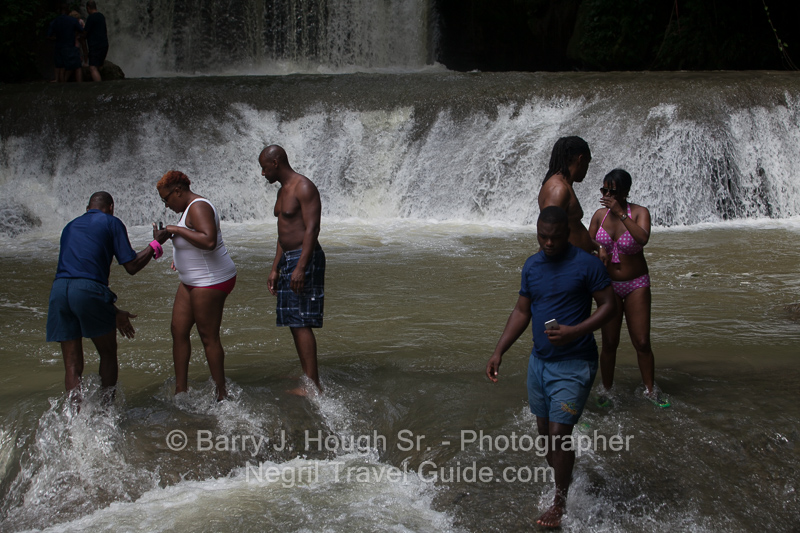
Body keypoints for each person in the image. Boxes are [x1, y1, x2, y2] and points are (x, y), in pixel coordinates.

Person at [486, 206, 615, 529]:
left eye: (554, 237)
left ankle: (559, 503)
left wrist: (575, 331)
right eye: (542, 237)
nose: (548, 243)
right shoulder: (532, 266)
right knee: (546, 438)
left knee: (558, 436)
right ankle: (566, 474)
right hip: (539, 363)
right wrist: (499, 351)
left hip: (575, 362)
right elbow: (521, 311)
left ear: (567, 234)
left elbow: (610, 306)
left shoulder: (586, 264)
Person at [46, 192, 169, 397]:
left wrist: (113, 311)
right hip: (88, 290)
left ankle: (73, 415)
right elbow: (131, 266)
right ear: (111, 207)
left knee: (72, 365)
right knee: (108, 353)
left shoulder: (70, 226)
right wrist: (156, 244)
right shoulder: (111, 222)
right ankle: (105, 411)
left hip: (59, 291)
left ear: (87, 209)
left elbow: (76, 276)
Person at [588, 169, 669, 407]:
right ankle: (606, 390)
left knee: (642, 342)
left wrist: (621, 214)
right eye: (604, 190)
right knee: (609, 343)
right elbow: (586, 243)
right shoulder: (599, 216)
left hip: (636, 284)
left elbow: (642, 238)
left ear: (625, 192)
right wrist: (598, 249)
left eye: (612, 191)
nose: (607, 195)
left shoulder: (640, 212)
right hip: (608, 285)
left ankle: (650, 390)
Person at [157, 171, 237, 401]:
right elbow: (194, 239)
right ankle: (180, 391)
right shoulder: (187, 209)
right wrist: (180, 257)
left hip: (211, 280)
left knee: (208, 336)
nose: (166, 205)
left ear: (178, 191)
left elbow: (209, 240)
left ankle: (222, 394)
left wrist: (174, 230)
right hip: (191, 280)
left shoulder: (198, 206)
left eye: (166, 199)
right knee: (178, 330)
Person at [258, 145, 325, 395]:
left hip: (304, 257)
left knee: (301, 320)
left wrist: (301, 266)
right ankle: (308, 375)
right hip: (288, 258)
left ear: (276, 163)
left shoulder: (303, 187)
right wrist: (275, 268)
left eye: (264, 168)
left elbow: (312, 229)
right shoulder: (282, 191)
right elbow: (282, 232)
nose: (263, 173)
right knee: (293, 321)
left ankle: (313, 385)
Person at [538, 136, 608, 264]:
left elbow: (571, 227)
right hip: (568, 266)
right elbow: (548, 231)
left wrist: (598, 246)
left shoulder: (562, 185)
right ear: (580, 159)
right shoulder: (558, 189)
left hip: (574, 262)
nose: (586, 170)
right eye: (587, 163)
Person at [47, 3, 84, 83]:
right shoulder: (73, 20)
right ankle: (80, 85)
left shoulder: (55, 21)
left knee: (61, 67)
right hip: (70, 47)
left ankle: (62, 84)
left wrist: (56, 38)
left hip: (59, 47)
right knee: (77, 66)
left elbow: (49, 35)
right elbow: (82, 30)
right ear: (68, 11)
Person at [84, 1, 109, 82]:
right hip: (104, 44)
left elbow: (85, 32)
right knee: (98, 66)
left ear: (88, 8)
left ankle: (99, 87)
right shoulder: (101, 16)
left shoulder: (91, 17)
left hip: (95, 45)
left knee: (92, 68)